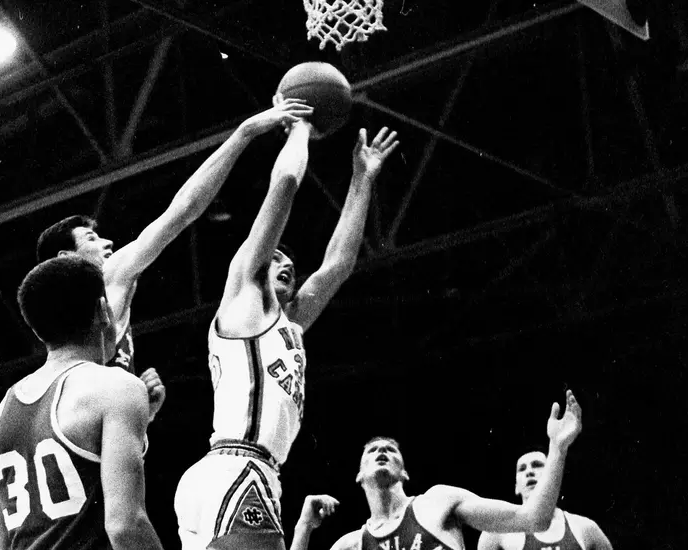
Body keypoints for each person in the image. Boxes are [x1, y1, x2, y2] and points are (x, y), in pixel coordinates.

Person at [173, 107, 400, 550]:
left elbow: (337, 266)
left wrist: (362, 179)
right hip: (238, 466)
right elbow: (287, 183)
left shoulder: (288, 325)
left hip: (232, 472)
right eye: (277, 258)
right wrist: (300, 129)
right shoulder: (243, 294)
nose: (286, 264)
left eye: (291, 267)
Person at [35, 99, 315, 377]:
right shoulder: (106, 279)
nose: (107, 243)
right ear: (67, 258)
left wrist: (142, 403)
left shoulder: (61, 325)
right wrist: (244, 132)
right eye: (90, 239)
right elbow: (183, 209)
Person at [0, 255, 163, 550]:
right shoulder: (117, 386)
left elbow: (0, 543)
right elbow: (125, 526)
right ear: (103, 310)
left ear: (36, 329)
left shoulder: (1, 411)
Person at [294, 390, 583, 550]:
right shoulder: (351, 545)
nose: (381, 451)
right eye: (371, 451)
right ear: (358, 475)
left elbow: (533, 519)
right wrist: (303, 527)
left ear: (405, 473)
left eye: (391, 450)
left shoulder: (439, 502)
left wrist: (557, 449)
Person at [476, 450, 613, 550]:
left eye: (537, 465)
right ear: (516, 487)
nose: (529, 472)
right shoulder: (497, 532)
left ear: (553, 476)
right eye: (522, 469)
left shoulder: (584, 528)